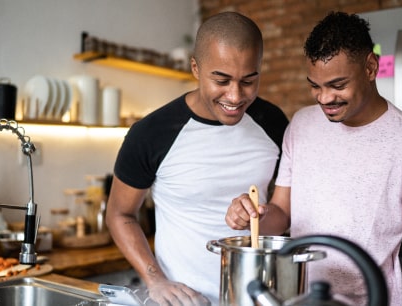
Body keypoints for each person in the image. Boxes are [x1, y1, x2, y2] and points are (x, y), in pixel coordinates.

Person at [225, 11, 402, 306]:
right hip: (298, 298)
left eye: (338, 85)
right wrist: (256, 218)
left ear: (370, 67)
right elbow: (282, 215)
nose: (325, 98)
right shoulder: (301, 125)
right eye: (315, 86)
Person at [105, 11, 289, 306]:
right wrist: (155, 279)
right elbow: (119, 214)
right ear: (195, 68)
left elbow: (282, 216)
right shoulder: (151, 133)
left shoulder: (274, 123)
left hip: (257, 298)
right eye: (222, 80)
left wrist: (259, 218)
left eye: (249, 80)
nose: (235, 96)